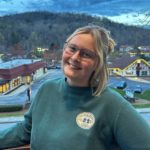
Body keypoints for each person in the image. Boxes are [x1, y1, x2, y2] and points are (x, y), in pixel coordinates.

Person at [0, 25, 150, 150]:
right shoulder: (47, 89)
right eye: (72, 48)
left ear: (98, 63)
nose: (74, 58)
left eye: (86, 54)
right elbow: (26, 130)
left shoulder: (113, 106)